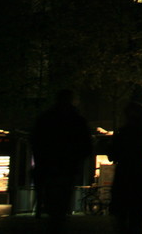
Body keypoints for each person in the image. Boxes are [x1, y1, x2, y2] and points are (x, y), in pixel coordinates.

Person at [32, 89, 92, 233]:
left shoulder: (46, 118)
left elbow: (36, 140)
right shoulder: (76, 119)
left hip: (49, 167)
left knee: (53, 201)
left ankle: (54, 220)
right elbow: (86, 145)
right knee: (62, 199)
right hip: (67, 167)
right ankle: (59, 219)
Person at [108, 102, 142, 234]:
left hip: (125, 175)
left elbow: (113, 154)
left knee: (122, 214)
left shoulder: (123, 133)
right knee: (137, 214)